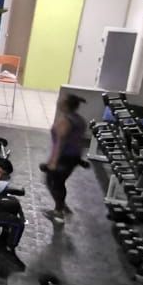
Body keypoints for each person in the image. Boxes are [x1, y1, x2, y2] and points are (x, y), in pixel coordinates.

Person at [45, 94, 88, 223]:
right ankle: (62, 206)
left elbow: (60, 143)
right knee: (59, 182)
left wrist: (53, 161)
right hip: (73, 157)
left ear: (66, 105)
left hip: (64, 157)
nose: (59, 102)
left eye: (61, 101)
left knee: (53, 183)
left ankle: (59, 211)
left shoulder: (66, 121)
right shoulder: (80, 120)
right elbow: (80, 140)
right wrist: (79, 158)